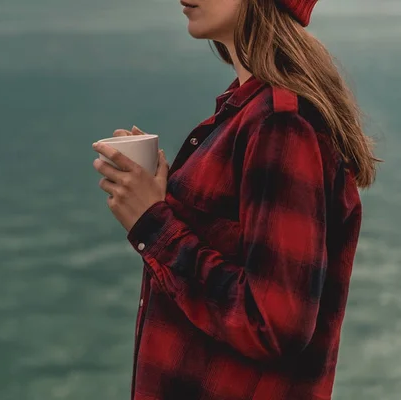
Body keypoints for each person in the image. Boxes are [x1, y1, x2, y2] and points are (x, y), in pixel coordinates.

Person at [92, 0, 380, 399]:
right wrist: (160, 198)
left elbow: (275, 324)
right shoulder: (245, 111)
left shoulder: (281, 125)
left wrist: (153, 222)